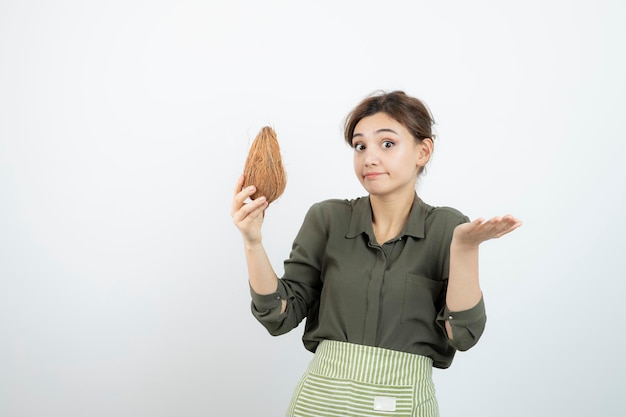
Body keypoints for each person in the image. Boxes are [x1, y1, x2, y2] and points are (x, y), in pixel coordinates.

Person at [231, 90, 522, 417]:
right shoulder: (327, 219)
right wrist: (253, 241)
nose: (369, 157)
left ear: (423, 151)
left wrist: (466, 248)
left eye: (387, 144)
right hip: (320, 402)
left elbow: (463, 335)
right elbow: (279, 316)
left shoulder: (448, 227)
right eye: (360, 145)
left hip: (402, 404)